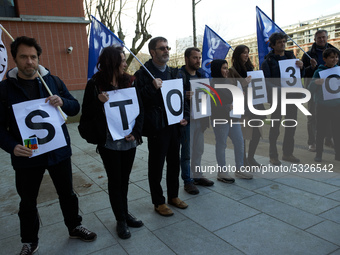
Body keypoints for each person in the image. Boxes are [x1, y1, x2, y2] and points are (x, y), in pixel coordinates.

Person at [0, 36, 97, 255]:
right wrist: (12, 146)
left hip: (58, 151)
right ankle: (29, 241)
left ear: (38, 58)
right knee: (27, 201)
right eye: (23, 57)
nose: (29, 62)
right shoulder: (5, 90)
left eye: (33, 57)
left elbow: (74, 108)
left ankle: (74, 226)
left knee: (67, 193)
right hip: (26, 155)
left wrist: (63, 102)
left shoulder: (52, 81)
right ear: (15, 59)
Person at [79, 46, 144, 239]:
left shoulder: (130, 82)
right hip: (108, 143)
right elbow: (86, 113)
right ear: (111, 62)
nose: (125, 63)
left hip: (129, 141)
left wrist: (136, 132)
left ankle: (124, 212)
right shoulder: (95, 84)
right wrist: (98, 101)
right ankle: (121, 220)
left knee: (124, 179)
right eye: (122, 60)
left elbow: (140, 109)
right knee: (115, 181)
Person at [134, 36, 188, 217]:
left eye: (167, 47)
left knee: (174, 162)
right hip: (157, 127)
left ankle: (173, 196)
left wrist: (184, 117)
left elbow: (181, 98)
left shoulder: (174, 73)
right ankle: (158, 201)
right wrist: (151, 87)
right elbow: (137, 100)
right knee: (156, 166)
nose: (166, 51)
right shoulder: (143, 74)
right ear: (152, 52)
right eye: (162, 48)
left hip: (175, 126)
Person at [261, 32, 304, 166]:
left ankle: (287, 153)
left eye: (284, 41)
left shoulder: (292, 58)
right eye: (279, 42)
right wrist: (279, 89)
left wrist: (301, 67)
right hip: (277, 98)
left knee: (291, 126)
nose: (283, 44)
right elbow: (266, 81)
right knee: (275, 127)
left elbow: (297, 77)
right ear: (273, 45)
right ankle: (273, 155)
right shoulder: (267, 61)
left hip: (292, 97)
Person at [177, 47, 213, 195]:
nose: (198, 61)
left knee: (199, 150)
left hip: (200, 118)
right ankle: (188, 181)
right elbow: (172, 96)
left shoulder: (202, 74)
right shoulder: (179, 75)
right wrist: (184, 95)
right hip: (188, 120)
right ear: (186, 59)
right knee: (186, 153)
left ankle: (197, 176)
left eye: (199, 58)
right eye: (194, 58)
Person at [210, 59, 253, 182]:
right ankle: (222, 172)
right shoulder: (212, 84)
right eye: (223, 68)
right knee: (222, 144)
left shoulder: (228, 81)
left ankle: (240, 168)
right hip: (220, 119)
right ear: (217, 69)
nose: (226, 71)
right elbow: (211, 106)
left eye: (227, 68)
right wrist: (227, 106)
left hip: (233, 117)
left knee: (239, 142)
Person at [302, 30, 340, 152]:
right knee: (312, 115)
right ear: (315, 39)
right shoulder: (307, 54)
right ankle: (312, 142)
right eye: (319, 38)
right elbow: (303, 72)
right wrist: (312, 67)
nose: (321, 40)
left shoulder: (335, 51)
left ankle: (328, 139)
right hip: (316, 88)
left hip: (332, 89)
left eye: (323, 37)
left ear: (327, 38)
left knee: (331, 116)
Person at [229, 45, 265, 169]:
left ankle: (251, 157)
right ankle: (243, 159)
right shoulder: (232, 71)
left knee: (257, 132)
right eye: (244, 53)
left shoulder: (251, 68)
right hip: (243, 106)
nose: (246, 55)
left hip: (255, 103)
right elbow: (231, 88)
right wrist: (242, 84)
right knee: (243, 134)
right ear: (238, 54)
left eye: (248, 52)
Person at [308, 48, 340, 162]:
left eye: (336, 57)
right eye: (332, 57)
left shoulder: (338, 70)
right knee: (320, 131)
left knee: (337, 131)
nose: (335, 59)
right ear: (325, 59)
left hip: (337, 106)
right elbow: (310, 88)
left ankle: (338, 154)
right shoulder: (319, 72)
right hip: (322, 106)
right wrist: (316, 83)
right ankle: (319, 154)